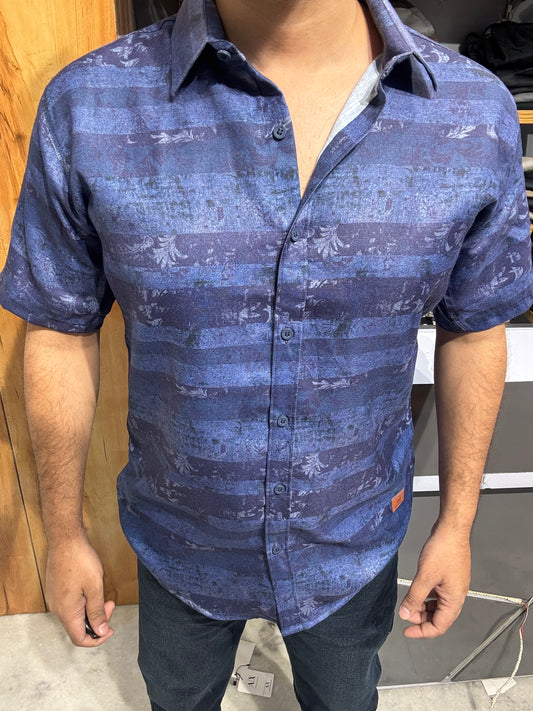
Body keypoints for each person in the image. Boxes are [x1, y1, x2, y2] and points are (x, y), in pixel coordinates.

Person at [1, 0, 532, 709]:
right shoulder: (89, 105)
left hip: (354, 539)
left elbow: (476, 327)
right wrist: (63, 532)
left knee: (345, 698)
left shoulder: (473, 114)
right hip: (177, 540)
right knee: (177, 697)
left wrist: (457, 523)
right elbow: (60, 326)